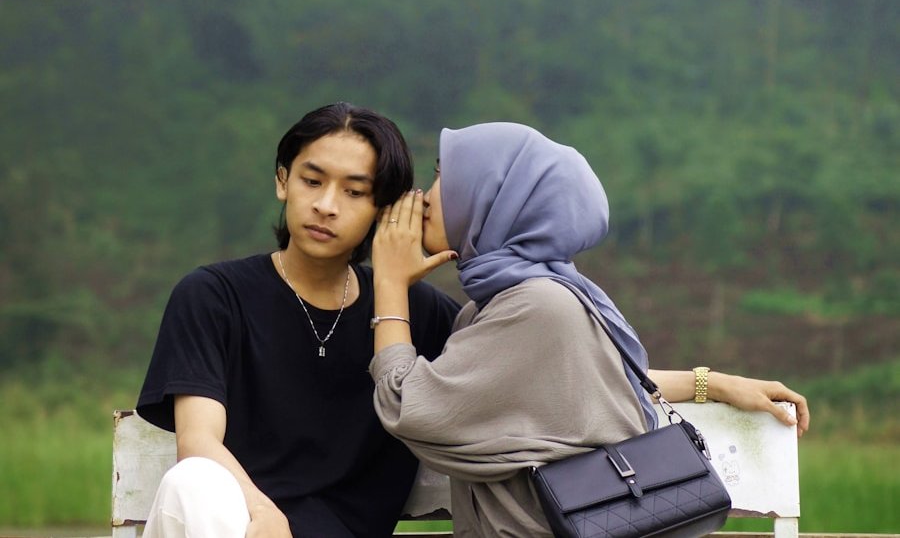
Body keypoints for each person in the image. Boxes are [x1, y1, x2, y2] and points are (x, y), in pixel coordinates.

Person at [369, 121, 811, 538]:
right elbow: (591, 381)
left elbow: (405, 405)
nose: (424, 196)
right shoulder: (540, 295)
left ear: (493, 197)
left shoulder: (535, 305)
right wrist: (710, 383)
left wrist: (388, 282)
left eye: (444, 176)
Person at [136, 102, 461, 538]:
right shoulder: (214, 296)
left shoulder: (416, 313)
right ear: (282, 180)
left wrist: (394, 280)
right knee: (191, 482)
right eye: (312, 181)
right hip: (244, 525)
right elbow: (197, 442)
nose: (326, 206)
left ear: (384, 210)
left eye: (354, 192)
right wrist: (263, 513)